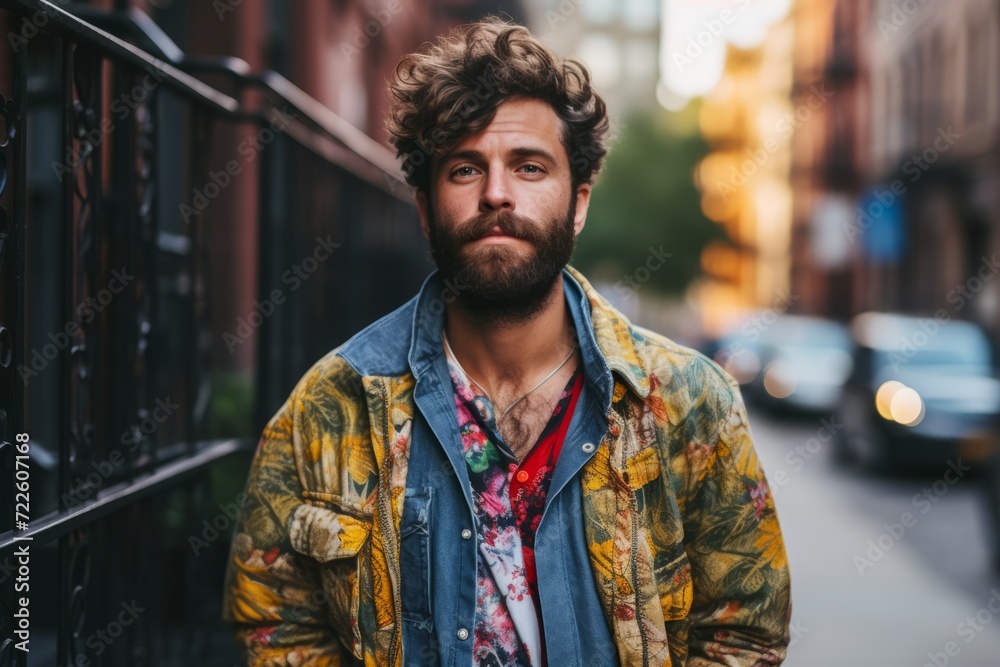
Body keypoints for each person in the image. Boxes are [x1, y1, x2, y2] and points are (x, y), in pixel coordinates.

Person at [223, 17, 791, 667]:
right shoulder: (335, 403)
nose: (497, 193)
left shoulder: (688, 402)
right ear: (425, 206)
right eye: (465, 169)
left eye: (528, 166)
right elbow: (272, 619)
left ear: (577, 202)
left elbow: (745, 632)